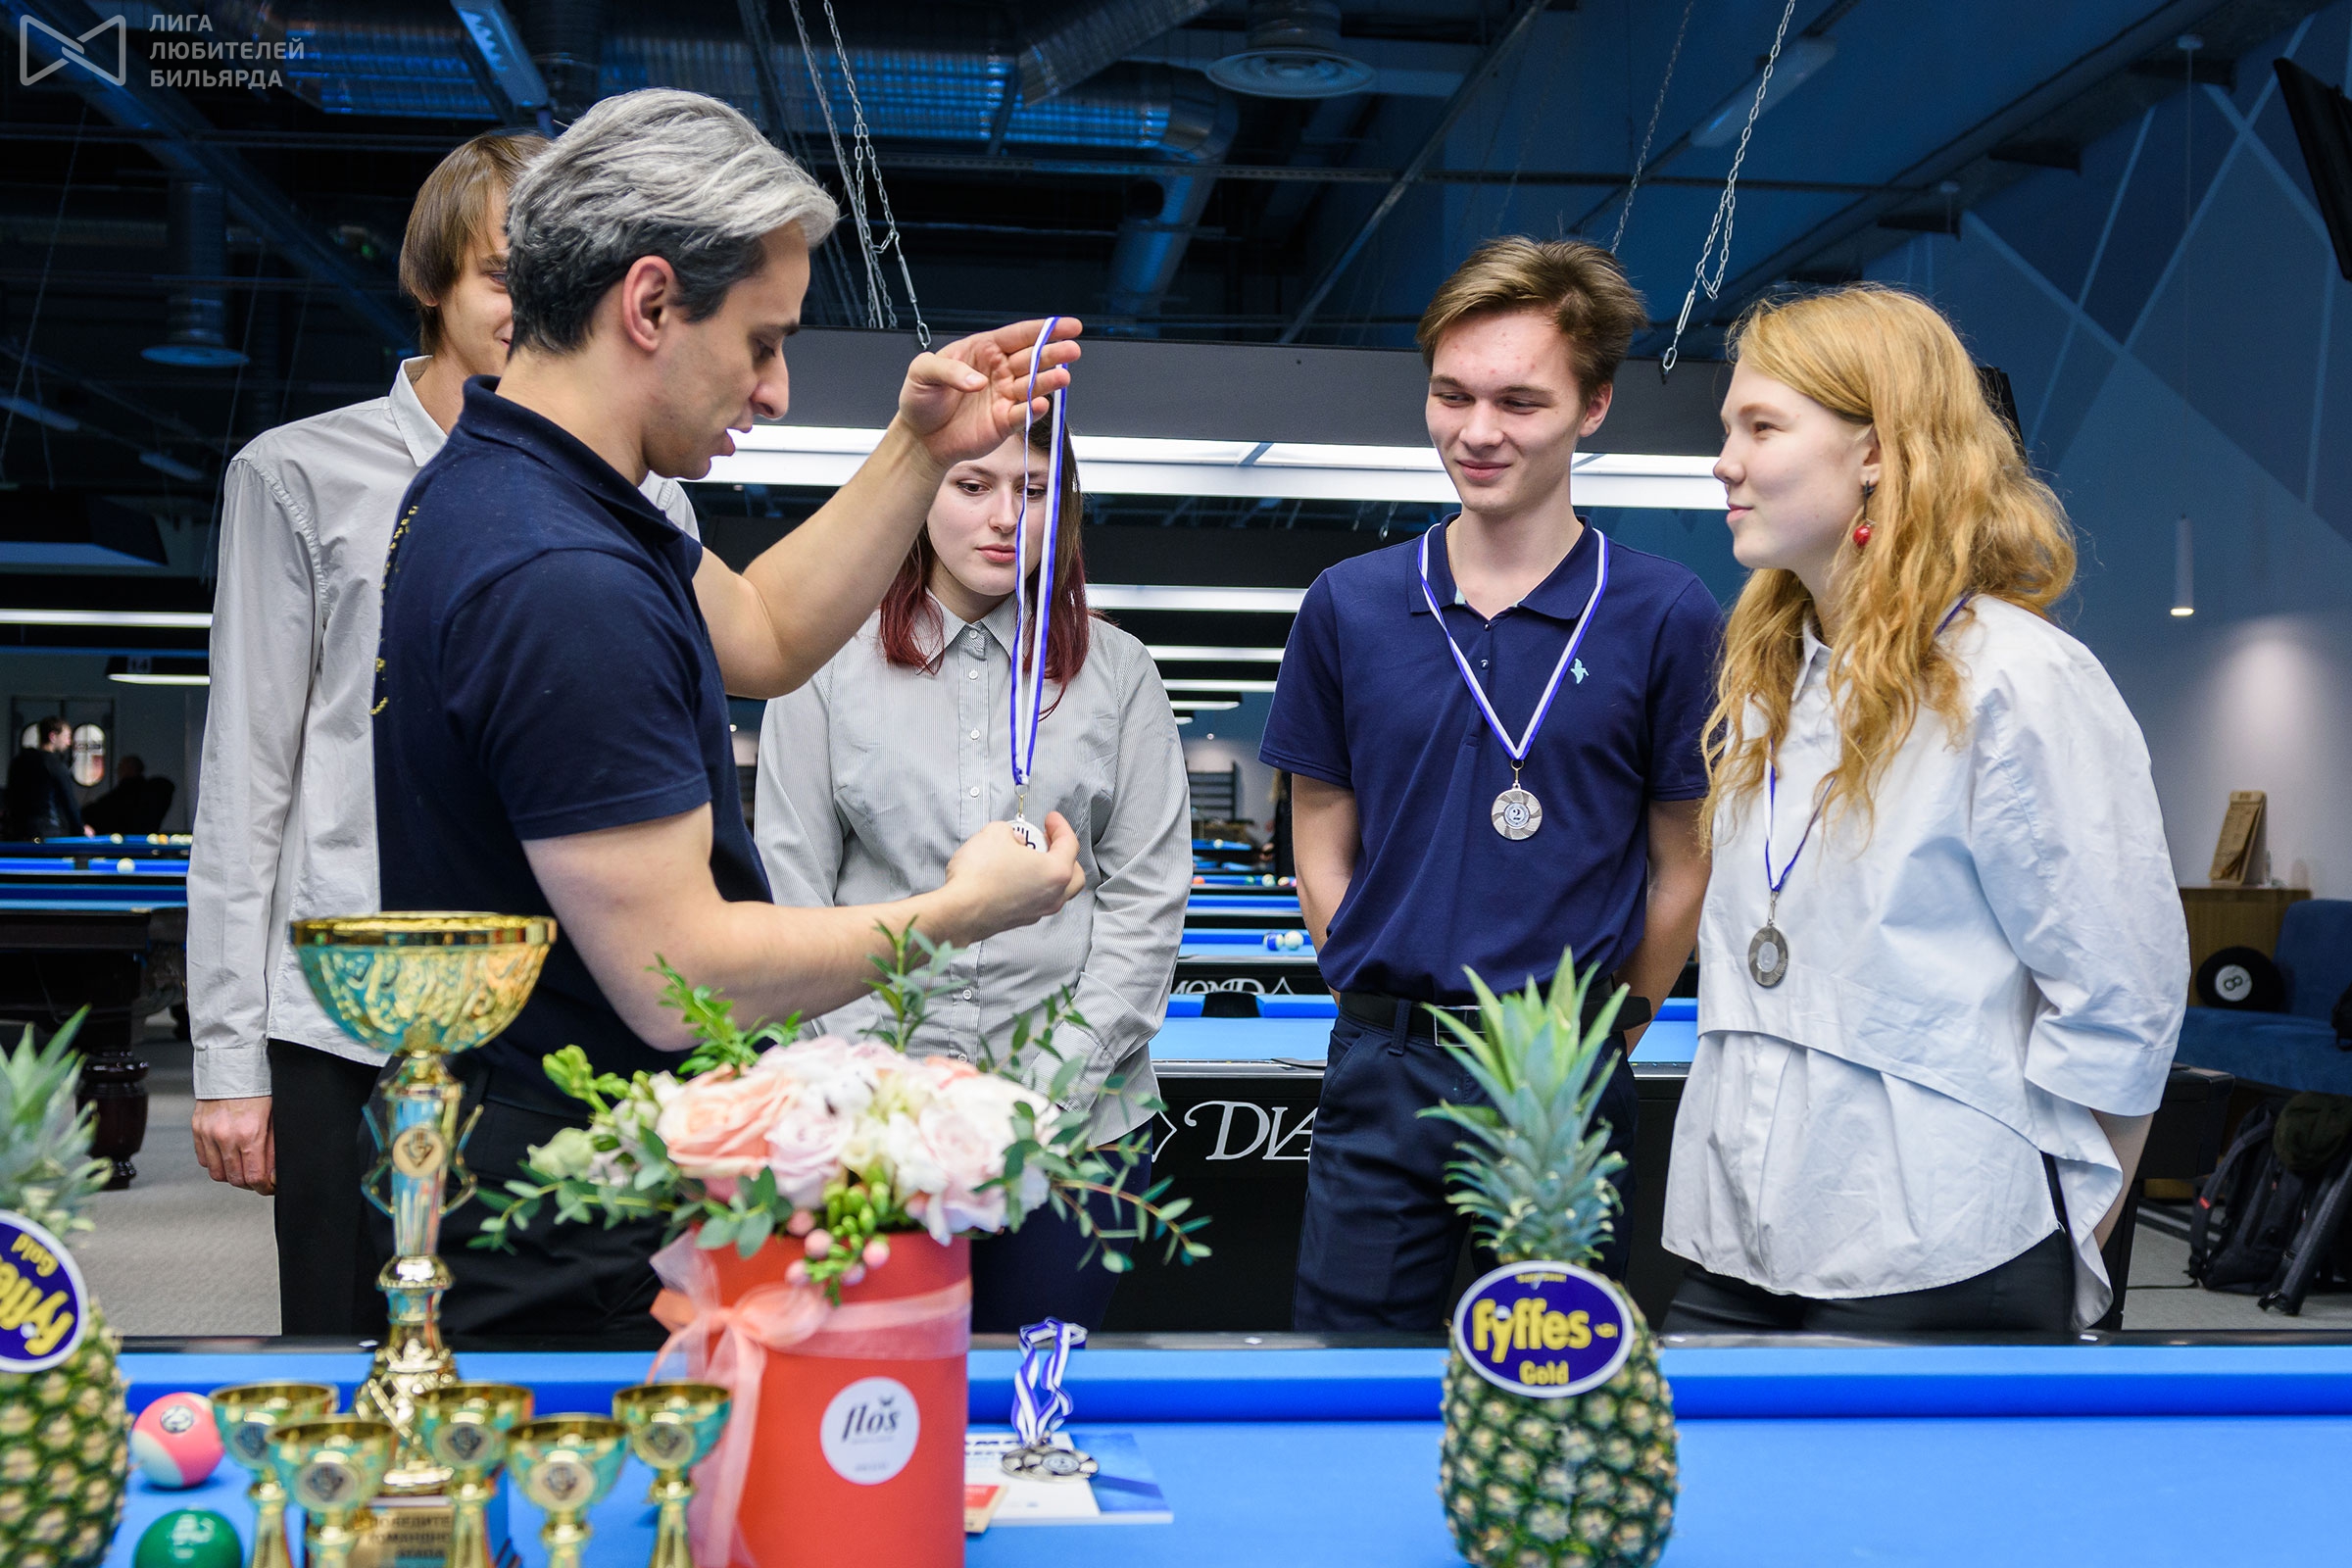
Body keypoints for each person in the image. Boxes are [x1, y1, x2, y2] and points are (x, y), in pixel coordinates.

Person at [371, 89, 1089, 1338]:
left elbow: (761, 633)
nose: (775, 391)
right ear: (650, 304)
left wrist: (922, 448)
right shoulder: (561, 576)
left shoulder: (525, 484)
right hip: (563, 1210)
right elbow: (681, 976)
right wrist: (961, 912)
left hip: (545, 1153)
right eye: (762, 342)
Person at [184, 129, 709, 1337]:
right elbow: (247, 781)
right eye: (502, 276)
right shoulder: (297, 474)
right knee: (347, 1355)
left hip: (555, 1017)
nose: (532, 308)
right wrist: (227, 1062)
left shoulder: (650, 496)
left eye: (562, 276)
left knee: (561, 1360)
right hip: (346, 1015)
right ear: (430, 280)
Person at [1660, 284, 2186, 1335]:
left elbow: (2123, 1002)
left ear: (1876, 451)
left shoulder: (2017, 678)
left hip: (1942, 1248)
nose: (1725, 461)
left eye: (1761, 427)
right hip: (1734, 1234)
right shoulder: (1769, 680)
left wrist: (2071, 1241)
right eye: (1729, 429)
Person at [1260, 237, 1720, 1331]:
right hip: (1386, 1063)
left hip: (1564, 1073)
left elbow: (1683, 860)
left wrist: (1612, 1032)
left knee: (1547, 1380)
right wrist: (1367, 993)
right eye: (1452, 395)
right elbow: (1320, 835)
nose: (1476, 431)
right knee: (1351, 1378)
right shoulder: (1348, 603)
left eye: (1519, 401)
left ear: (1593, 406)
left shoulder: (1666, 613)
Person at [756, 414, 1189, 1333]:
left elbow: (1147, 901)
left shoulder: (1120, 674)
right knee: (879, 1392)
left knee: (1036, 1393)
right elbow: (791, 889)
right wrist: (881, 1096)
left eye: (1034, 490)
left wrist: (1044, 1098)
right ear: (923, 494)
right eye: (972, 485)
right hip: (868, 1127)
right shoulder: (825, 662)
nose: (1004, 517)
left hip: (1076, 1129)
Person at [5, 717, 83, 839]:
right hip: (49, 831)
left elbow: (10, 796)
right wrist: (80, 830)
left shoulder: (19, 761)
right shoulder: (55, 765)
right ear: (53, 736)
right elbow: (69, 802)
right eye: (66, 737)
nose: (69, 742)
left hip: (19, 831)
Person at [83, 756, 173, 835]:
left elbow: (105, 808)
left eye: (121, 767)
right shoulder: (133, 790)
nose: (119, 771)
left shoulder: (129, 791)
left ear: (131, 769)